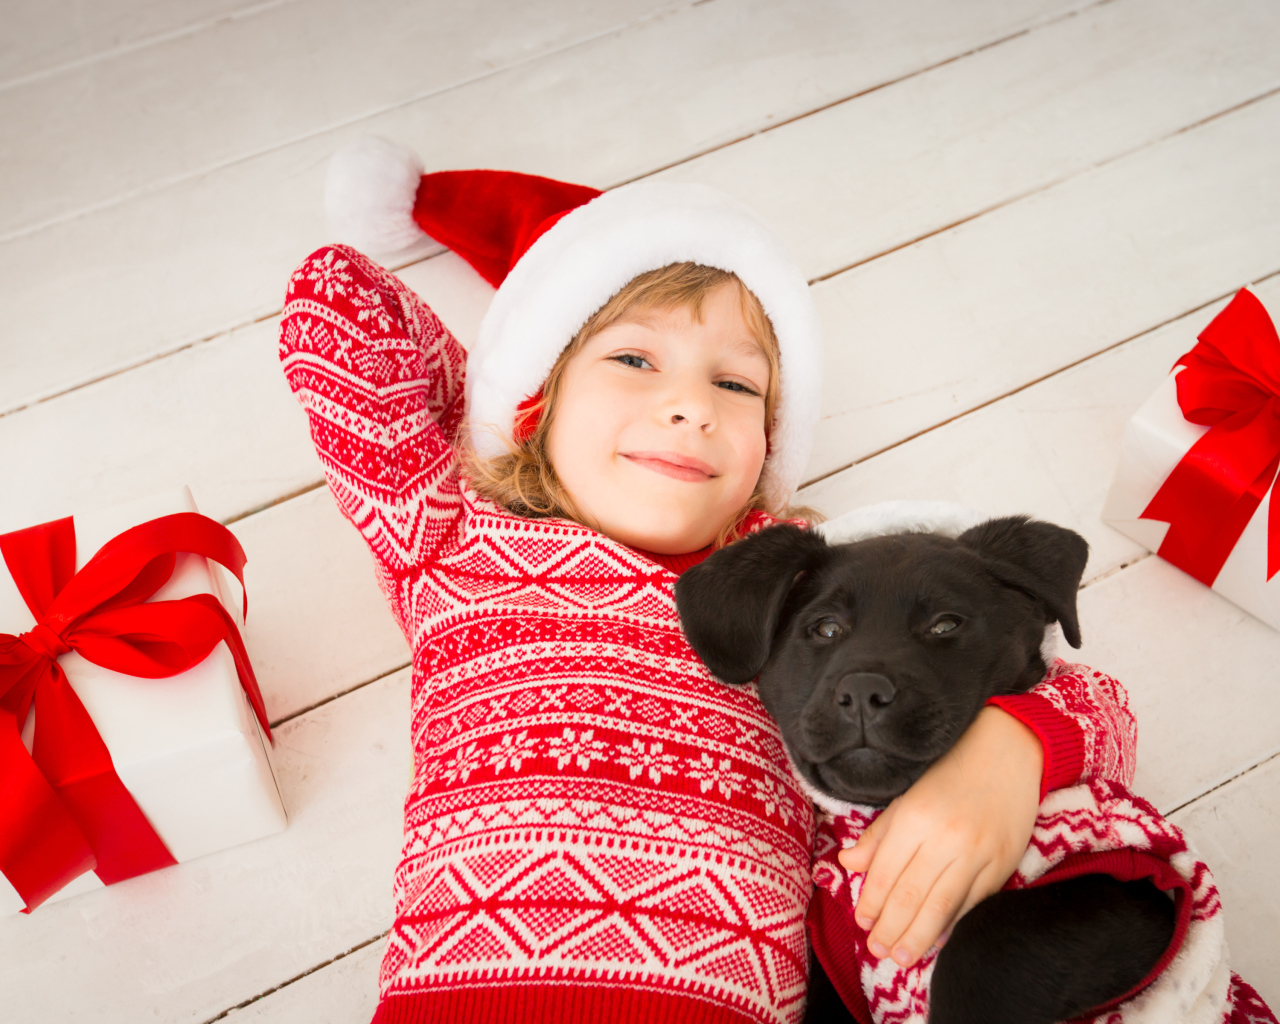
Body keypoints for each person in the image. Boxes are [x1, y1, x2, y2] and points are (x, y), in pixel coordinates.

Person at [277, 137, 1135, 1024]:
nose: (691, 405)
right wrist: (499, 386)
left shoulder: (802, 582)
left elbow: (1088, 698)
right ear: (536, 400)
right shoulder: (457, 542)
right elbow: (333, 303)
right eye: (634, 361)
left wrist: (1012, 750)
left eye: (735, 384)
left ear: (769, 446)